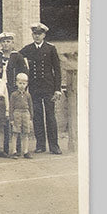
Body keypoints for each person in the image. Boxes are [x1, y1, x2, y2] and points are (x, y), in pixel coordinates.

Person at [18, 23, 63, 154]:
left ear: (44, 35)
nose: (37, 36)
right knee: (37, 116)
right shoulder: (28, 49)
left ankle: (54, 146)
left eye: (39, 34)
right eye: (35, 34)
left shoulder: (50, 48)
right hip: (34, 88)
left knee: (50, 116)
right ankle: (40, 145)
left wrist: (57, 89)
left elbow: (57, 70)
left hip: (49, 87)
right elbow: (16, 58)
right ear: (32, 35)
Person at [10, 73, 36, 159]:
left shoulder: (28, 95)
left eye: (24, 83)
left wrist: (31, 117)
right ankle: (14, 151)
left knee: (26, 133)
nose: (22, 85)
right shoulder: (13, 95)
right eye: (20, 83)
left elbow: (31, 106)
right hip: (17, 113)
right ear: (17, 83)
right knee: (15, 133)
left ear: (27, 84)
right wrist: (11, 118)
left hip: (26, 113)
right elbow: (11, 107)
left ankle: (25, 151)